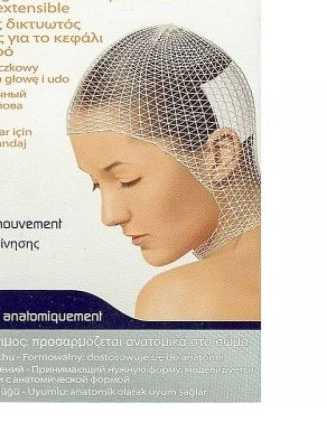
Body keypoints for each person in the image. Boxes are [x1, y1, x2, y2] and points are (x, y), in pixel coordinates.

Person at [67, 25, 260, 321]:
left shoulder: (180, 297)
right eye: (97, 185)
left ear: (220, 155)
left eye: (127, 180)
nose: (110, 216)